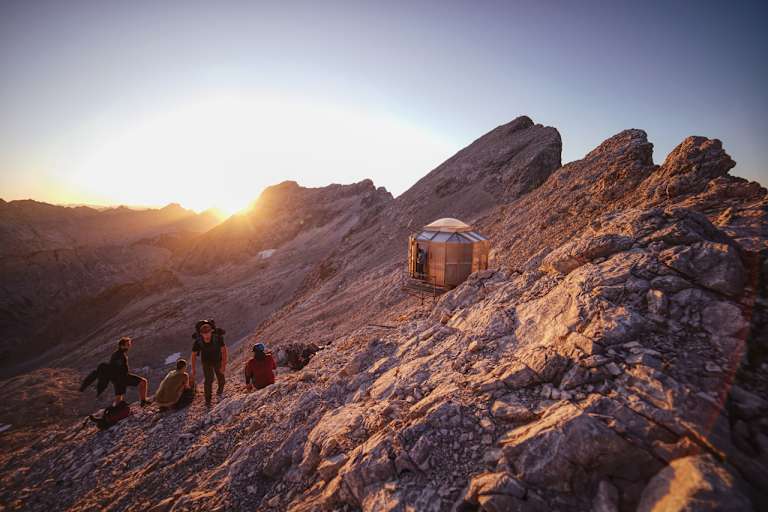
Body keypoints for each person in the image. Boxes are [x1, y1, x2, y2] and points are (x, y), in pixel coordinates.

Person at [190, 320, 227, 404]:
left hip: (218, 360)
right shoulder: (198, 342)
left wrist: (223, 365)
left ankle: (219, 392)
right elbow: (193, 355)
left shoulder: (218, 338)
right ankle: (208, 400)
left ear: (212, 331)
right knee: (208, 380)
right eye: (204, 333)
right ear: (201, 334)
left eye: (208, 332)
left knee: (221, 379)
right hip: (206, 362)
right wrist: (193, 368)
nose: (206, 335)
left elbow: (224, 351)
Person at [110, 337, 151, 407]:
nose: (129, 346)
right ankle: (143, 401)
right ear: (121, 345)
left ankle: (115, 412)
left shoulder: (117, 354)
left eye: (129, 344)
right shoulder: (119, 355)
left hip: (116, 379)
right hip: (122, 377)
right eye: (127, 344)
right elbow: (117, 368)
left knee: (119, 396)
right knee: (143, 382)